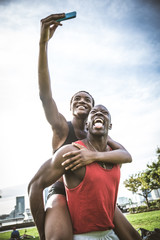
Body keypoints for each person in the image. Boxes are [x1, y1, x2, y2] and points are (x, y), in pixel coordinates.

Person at [31, 13, 141, 240]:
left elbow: (125, 154)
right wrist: (43, 45)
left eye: (87, 100)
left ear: (94, 112)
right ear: (70, 108)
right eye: (76, 100)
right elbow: (44, 96)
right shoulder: (62, 127)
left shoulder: (99, 138)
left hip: (92, 193)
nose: (82, 101)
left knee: (130, 235)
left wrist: (91, 156)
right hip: (62, 190)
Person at [29, 104, 127, 240]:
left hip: (108, 233)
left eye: (104, 112)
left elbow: (127, 155)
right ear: (87, 125)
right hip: (80, 230)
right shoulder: (71, 151)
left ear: (110, 125)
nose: (99, 113)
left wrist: (93, 156)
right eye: (94, 112)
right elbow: (35, 185)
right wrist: (43, 234)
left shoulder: (116, 156)